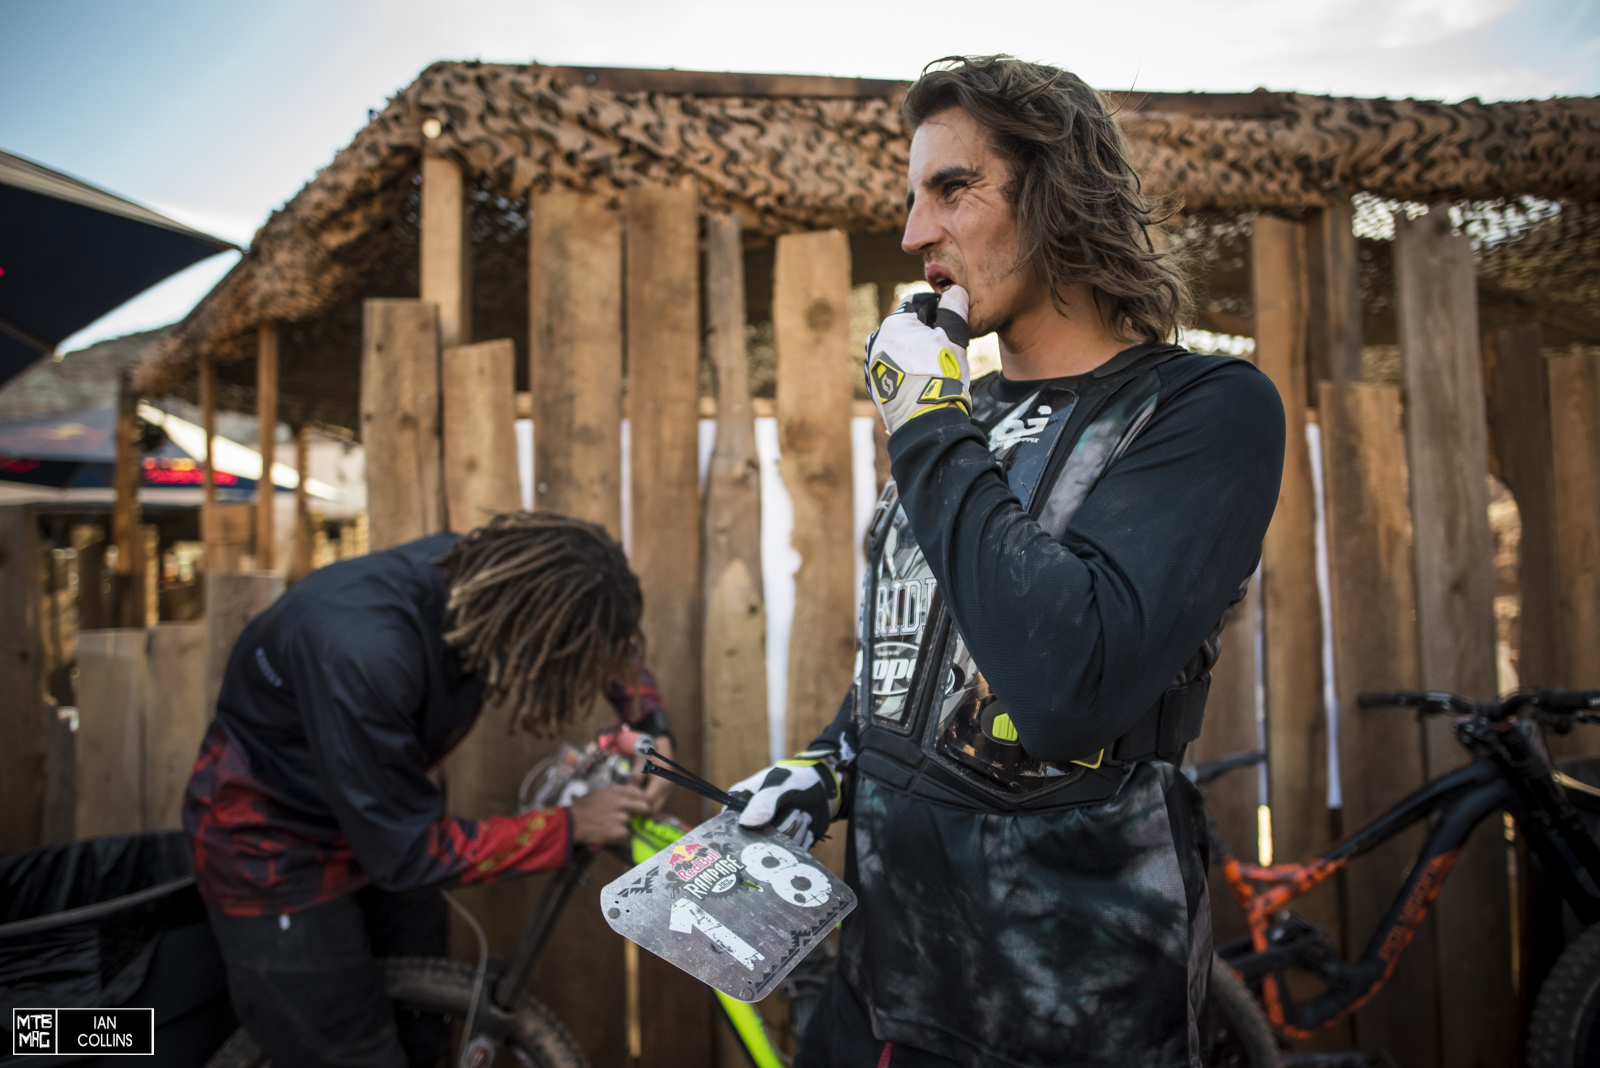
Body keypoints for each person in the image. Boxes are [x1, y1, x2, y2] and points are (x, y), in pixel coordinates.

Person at [729, 56, 1286, 1067]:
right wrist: (826, 764)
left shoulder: (1203, 408)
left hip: (1065, 1008)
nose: (912, 236)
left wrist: (928, 424)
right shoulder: (960, 418)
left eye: (952, 190)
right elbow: (913, 662)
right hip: (878, 995)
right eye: (911, 199)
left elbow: (1068, 681)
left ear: (1058, 191)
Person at [183, 512, 675, 1068]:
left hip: (377, 820)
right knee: (356, 1053)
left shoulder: (498, 579)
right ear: (532, 628)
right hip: (272, 856)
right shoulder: (365, 651)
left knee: (421, 1037)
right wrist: (570, 826)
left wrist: (650, 729)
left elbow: (604, 642)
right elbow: (409, 852)